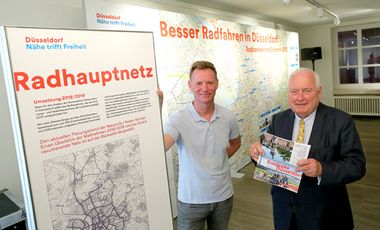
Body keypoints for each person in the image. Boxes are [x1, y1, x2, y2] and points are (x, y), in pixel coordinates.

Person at [249, 68, 366, 230]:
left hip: (324, 214)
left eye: (307, 91)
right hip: (284, 211)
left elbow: (357, 166)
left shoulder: (341, 121)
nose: (300, 97)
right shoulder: (279, 119)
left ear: (319, 92)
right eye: (294, 91)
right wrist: (257, 154)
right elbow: (268, 159)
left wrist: (322, 169)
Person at [160, 60, 241, 230]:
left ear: (217, 84)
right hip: (191, 202)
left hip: (223, 198)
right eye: (199, 83)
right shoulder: (178, 119)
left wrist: (216, 159)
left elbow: (235, 143)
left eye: (210, 82)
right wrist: (155, 110)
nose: (204, 88)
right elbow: (162, 146)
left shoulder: (228, 116)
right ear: (190, 85)